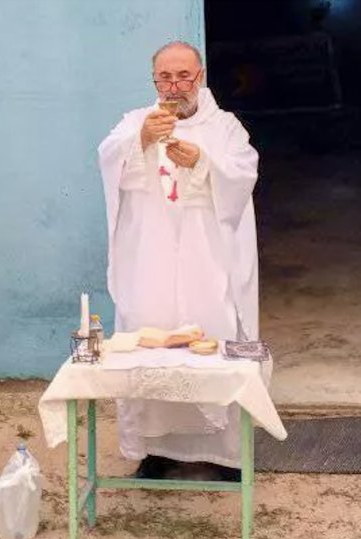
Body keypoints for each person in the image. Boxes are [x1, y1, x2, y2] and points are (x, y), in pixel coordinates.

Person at [98, 41, 260, 480]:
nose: (174, 87)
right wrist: (142, 143)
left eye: (183, 76)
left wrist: (205, 164)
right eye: (165, 77)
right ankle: (156, 449)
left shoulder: (224, 127)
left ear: (200, 76)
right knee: (152, 347)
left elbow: (244, 172)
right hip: (150, 259)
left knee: (214, 340)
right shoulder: (136, 122)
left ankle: (224, 454)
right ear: (154, 80)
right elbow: (108, 160)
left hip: (207, 261)